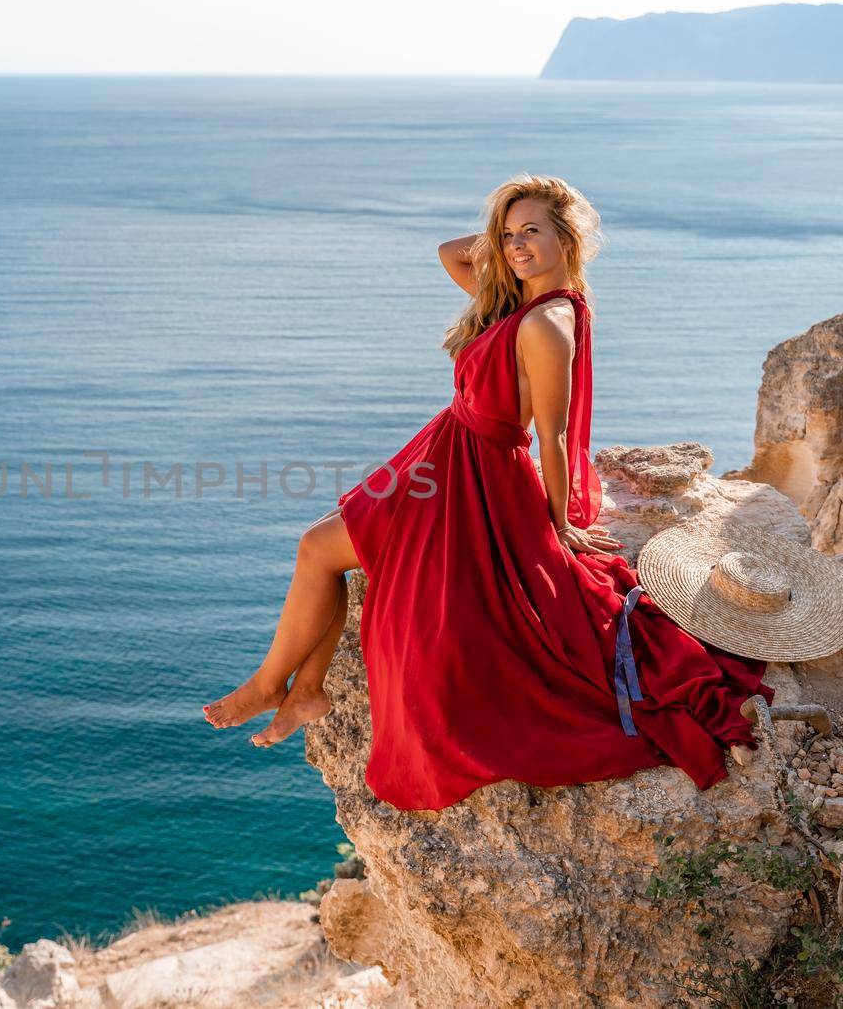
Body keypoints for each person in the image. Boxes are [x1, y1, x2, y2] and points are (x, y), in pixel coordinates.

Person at [202, 173, 774, 813]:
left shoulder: (547, 323)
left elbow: (551, 438)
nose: (517, 245)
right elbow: (451, 251)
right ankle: (305, 687)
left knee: (321, 547)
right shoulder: (515, 302)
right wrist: (513, 239)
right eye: (508, 234)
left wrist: (558, 526)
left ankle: (270, 682)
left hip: (477, 475)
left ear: (569, 235)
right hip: (442, 452)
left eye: (534, 231)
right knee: (330, 548)